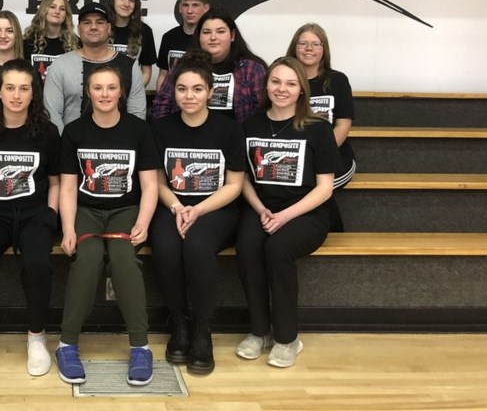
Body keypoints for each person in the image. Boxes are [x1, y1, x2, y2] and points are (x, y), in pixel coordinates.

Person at [55, 63, 160, 386]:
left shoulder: (138, 130)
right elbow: (69, 187)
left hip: (125, 211)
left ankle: (140, 346)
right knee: (86, 260)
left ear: (121, 92)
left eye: (111, 88)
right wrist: (69, 228)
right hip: (86, 210)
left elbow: (151, 185)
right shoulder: (74, 131)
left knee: (123, 259)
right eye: (97, 88)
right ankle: (67, 343)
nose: (104, 94)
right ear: (88, 91)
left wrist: (143, 222)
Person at [235, 57, 340, 369]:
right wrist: (261, 209)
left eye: (291, 83)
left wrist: (285, 216)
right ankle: (258, 332)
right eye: (276, 82)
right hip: (262, 207)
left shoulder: (318, 128)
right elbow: (242, 178)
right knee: (247, 246)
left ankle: (287, 338)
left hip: (307, 213)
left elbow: (325, 188)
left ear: (301, 90)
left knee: (278, 248)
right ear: (266, 85)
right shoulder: (250, 125)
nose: (282, 89)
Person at [0, 59, 61, 378]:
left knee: (38, 265)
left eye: (24, 88)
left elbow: (57, 181)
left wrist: (51, 213)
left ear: (34, 93)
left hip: (34, 214)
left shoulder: (47, 132)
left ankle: (36, 336)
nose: (17, 95)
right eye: (10, 88)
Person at [149, 52, 245, 374]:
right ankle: (179, 323)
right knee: (165, 244)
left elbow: (234, 185)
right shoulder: (161, 128)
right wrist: (177, 207)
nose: (189, 96)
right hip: (172, 205)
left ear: (210, 91)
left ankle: (203, 330)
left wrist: (198, 209)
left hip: (216, 208)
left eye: (197, 89)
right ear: (173, 91)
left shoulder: (229, 129)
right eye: (182, 89)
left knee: (198, 245)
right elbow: (158, 181)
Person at [286, 22, 354, 232]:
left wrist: (319, 157)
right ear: (294, 48)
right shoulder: (284, 80)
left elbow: (343, 124)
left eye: (315, 44)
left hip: (334, 157)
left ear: (324, 49)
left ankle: (332, 230)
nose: (309, 48)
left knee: (309, 185)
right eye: (303, 43)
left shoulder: (337, 80)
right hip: (295, 156)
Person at [43, 2, 147, 133]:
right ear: (79, 29)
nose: (93, 27)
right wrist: (67, 144)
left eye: (99, 22)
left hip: (119, 148)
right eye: (87, 22)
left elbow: (137, 114)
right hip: (71, 147)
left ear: (109, 28)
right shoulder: (60, 65)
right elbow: (52, 113)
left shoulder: (130, 66)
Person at [150, 7, 266, 123]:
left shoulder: (252, 69)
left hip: (236, 137)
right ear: (198, 36)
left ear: (232, 35)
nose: (213, 38)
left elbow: (262, 113)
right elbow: (162, 105)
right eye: (206, 32)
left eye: (220, 32)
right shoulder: (183, 65)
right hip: (185, 136)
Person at [156, 0, 210, 92]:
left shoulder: (211, 39)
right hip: (172, 101)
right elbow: (163, 74)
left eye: (195, 5)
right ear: (180, 8)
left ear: (206, 8)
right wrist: (160, 102)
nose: (190, 11)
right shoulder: (168, 37)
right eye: (185, 5)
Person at [107, 0, 157, 87]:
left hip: (131, 96)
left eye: (132, 0)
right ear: (112, 1)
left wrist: (133, 93)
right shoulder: (101, 27)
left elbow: (146, 72)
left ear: (136, 4)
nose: (126, 4)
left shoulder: (145, 31)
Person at [23, 0, 78, 83]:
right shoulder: (27, 43)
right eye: (52, 7)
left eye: (62, 9)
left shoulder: (76, 44)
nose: (57, 11)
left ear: (66, 14)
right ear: (44, 10)